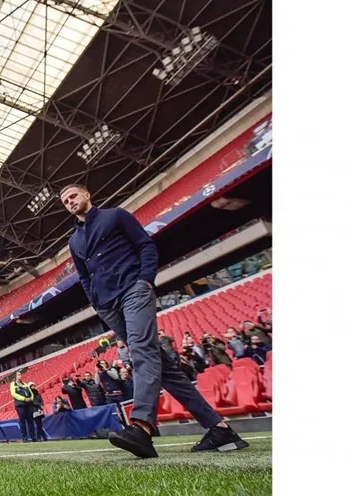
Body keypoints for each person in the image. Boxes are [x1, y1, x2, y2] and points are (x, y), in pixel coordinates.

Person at [61, 184, 248, 457]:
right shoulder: (74, 241)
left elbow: (145, 245)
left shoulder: (116, 215)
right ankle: (220, 429)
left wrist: (146, 280)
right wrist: (96, 302)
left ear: (87, 194)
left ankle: (141, 427)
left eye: (73, 196)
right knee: (164, 367)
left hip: (133, 289)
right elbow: (84, 276)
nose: (70, 201)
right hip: (107, 304)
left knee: (142, 352)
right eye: (65, 201)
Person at [10, 370, 37, 442]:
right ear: (15, 377)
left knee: (30, 421)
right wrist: (24, 399)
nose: (20, 376)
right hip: (20, 405)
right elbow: (13, 394)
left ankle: (33, 437)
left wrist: (30, 399)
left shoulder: (25, 384)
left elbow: (31, 393)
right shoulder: (13, 384)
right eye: (18, 375)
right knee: (22, 421)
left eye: (20, 375)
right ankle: (24, 438)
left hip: (29, 404)